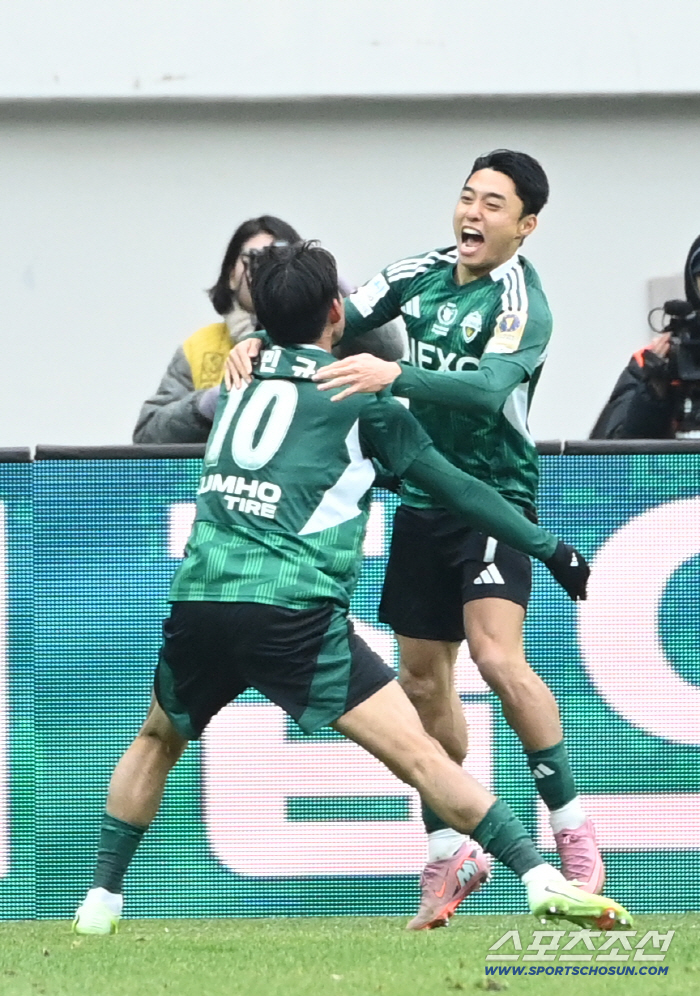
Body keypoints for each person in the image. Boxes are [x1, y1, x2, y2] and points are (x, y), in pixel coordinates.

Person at [73, 241, 632, 937]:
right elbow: (457, 488)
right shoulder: (365, 403)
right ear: (338, 312)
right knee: (422, 755)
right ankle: (540, 878)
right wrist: (549, 548)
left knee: (156, 738)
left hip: (201, 600)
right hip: (293, 615)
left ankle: (99, 903)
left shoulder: (241, 379)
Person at [227, 151, 605, 930]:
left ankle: (572, 830)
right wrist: (259, 342)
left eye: (494, 204)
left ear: (526, 226)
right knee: (424, 683)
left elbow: (488, 389)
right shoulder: (420, 271)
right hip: (423, 498)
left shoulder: (521, 303)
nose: (473, 213)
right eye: (467, 197)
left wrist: (389, 378)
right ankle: (449, 849)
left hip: (494, 497)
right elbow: (328, 314)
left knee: (497, 657)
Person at [133, 217, 406, 444]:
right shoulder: (200, 347)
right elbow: (147, 436)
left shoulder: (326, 334)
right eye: (254, 260)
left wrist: (330, 281)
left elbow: (388, 349)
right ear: (230, 275)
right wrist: (211, 404)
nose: (267, 270)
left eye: (279, 258)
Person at [590, 235, 700, 439]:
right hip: (675, 472)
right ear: (693, 285)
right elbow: (606, 460)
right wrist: (654, 393)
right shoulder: (655, 360)